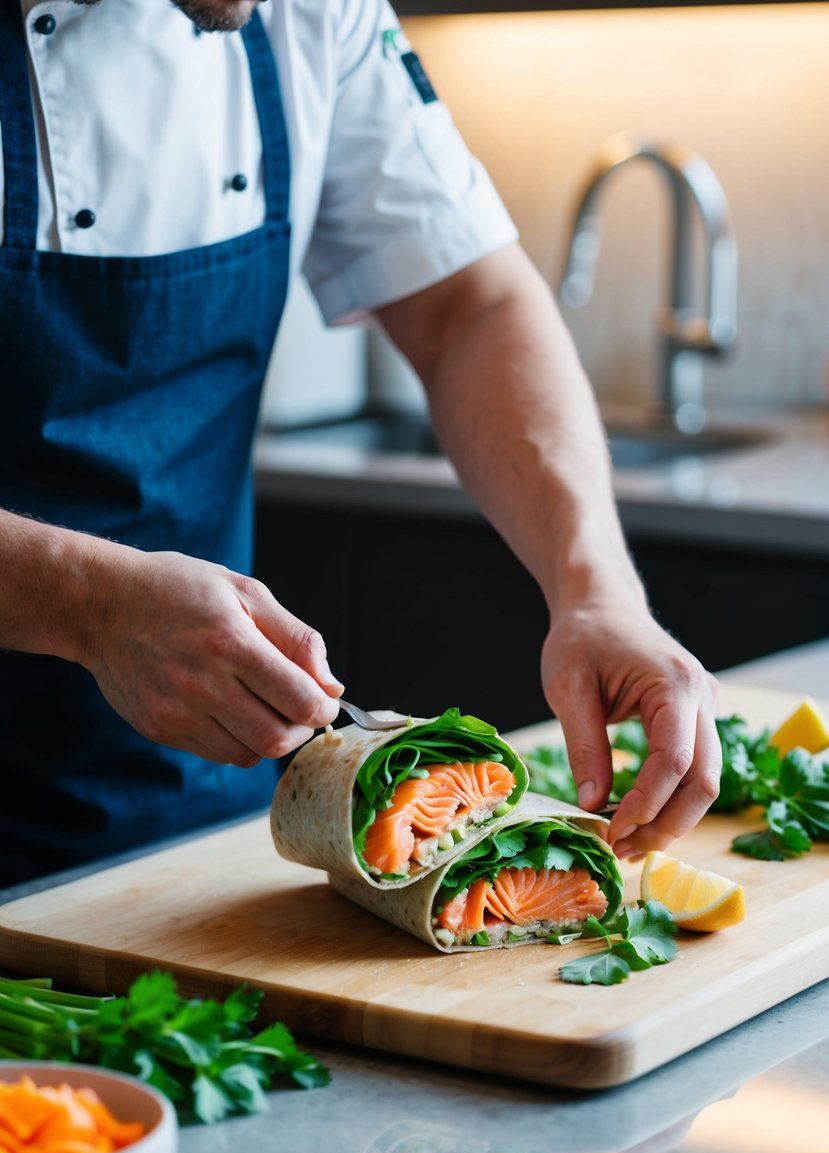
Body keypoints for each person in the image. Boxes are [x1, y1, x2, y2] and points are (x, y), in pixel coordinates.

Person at [0, 0, 721, 888]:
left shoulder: (311, 16)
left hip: (191, 824)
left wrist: (595, 590)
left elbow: (472, 307)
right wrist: (87, 604)